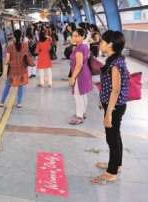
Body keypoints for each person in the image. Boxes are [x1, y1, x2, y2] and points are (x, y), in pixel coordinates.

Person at [91, 31, 129, 184]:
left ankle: (111, 172)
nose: (100, 44)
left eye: (102, 42)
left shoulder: (115, 65)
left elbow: (116, 90)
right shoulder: (115, 60)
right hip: (114, 105)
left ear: (111, 44)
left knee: (111, 138)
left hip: (114, 107)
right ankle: (116, 164)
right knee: (115, 136)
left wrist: (108, 114)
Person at [0, 30, 30, 108]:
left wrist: (6, 64)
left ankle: (2, 102)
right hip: (22, 69)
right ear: (21, 36)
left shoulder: (10, 46)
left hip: (12, 70)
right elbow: (26, 56)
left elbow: (7, 60)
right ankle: (19, 103)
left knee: (7, 85)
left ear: (14, 36)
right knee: (21, 86)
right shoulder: (25, 45)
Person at [69, 28, 93, 125]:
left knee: (77, 95)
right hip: (85, 72)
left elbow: (79, 64)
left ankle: (79, 116)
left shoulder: (79, 48)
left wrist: (73, 77)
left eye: (76, 36)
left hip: (80, 74)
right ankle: (83, 112)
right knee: (83, 94)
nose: (74, 38)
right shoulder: (84, 46)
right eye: (73, 36)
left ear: (82, 36)